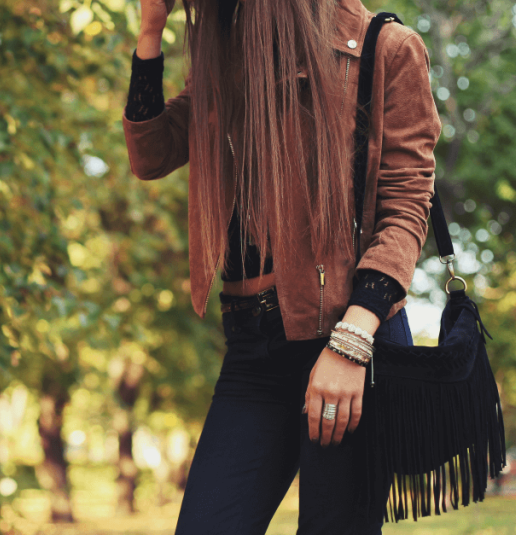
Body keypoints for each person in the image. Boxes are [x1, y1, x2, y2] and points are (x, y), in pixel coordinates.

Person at [122, 0, 440, 533]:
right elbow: (150, 153)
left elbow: (406, 210)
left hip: (350, 339)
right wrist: (151, 28)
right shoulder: (230, 60)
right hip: (252, 351)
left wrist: (351, 343)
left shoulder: (386, 48)